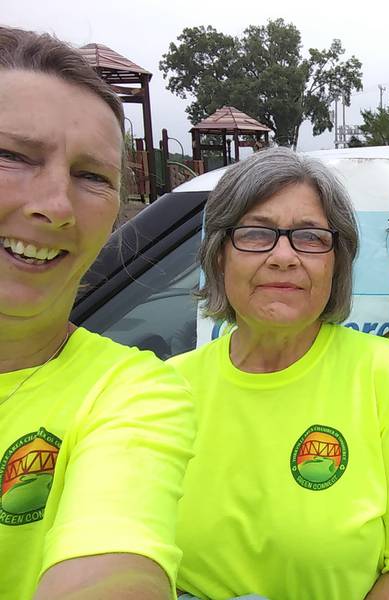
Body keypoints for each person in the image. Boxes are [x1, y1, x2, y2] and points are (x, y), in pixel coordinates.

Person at [170, 147, 389, 600]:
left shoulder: (383, 373)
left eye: (308, 237)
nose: (284, 256)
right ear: (219, 255)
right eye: (257, 233)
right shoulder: (167, 389)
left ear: (336, 262)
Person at [0, 27, 196, 600]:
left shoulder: (133, 394)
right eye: (12, 156)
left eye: (91, 176)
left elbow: (117, 562)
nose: (56, 206)